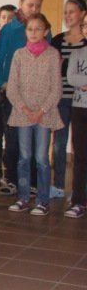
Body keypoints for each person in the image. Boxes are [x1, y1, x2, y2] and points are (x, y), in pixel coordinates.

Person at [0, 0, 46, 196]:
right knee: (13, 138)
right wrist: (1, 82)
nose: (34, 9)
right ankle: (12, 179)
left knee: (33, 139)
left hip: (36, 94)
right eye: (30, 4)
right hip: (13, 93)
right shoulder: (10, 29)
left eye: (38, 5)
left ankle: (32, 182)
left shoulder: (44, 29)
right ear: (21, 4)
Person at [7, 13, 63, 215]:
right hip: (23, 113)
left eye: (38, 29)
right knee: (24, 157)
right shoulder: (19, 55)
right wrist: (25, 109)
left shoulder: (52, 54)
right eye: (30, 29)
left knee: (41, 158)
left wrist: (41, 111)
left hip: (44, 115)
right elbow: (12, 88)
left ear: (46, 31)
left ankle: (42, 200)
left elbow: (56, 89)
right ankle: (23, 198)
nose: (33, 32)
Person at [50, 0, 87, 198]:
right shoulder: (57, 39)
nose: (68, 15)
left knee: (80, 146)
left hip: (83, 101)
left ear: (82, 13)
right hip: (61, 98)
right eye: (65, 12)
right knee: (59, 143)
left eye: (72, 11)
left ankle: (79, 189)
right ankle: (58, 186)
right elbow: (52, 67)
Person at [66, 14, 87, 218]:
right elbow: (71, 77)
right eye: (86, 25)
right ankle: (78, 200)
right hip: (80, 108)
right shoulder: (77, 53)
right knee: (80, 156)